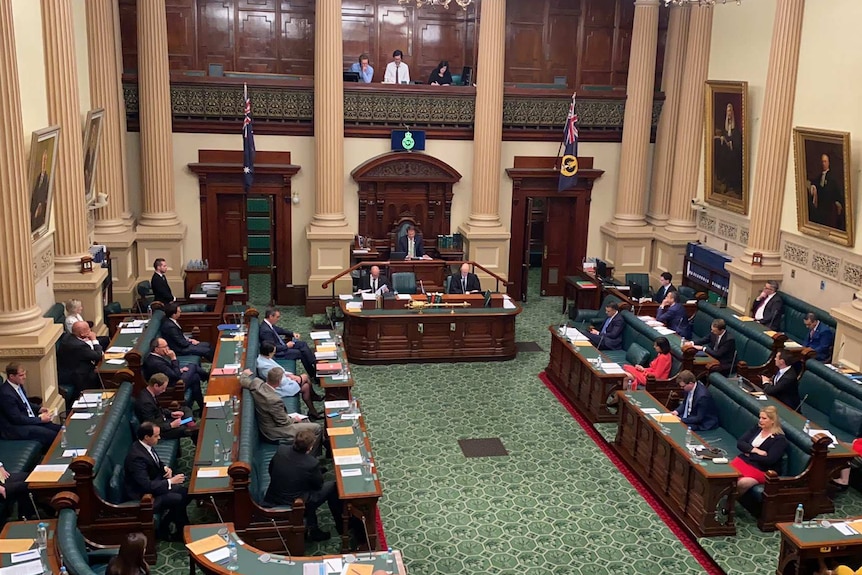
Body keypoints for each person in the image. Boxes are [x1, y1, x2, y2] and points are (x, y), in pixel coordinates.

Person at [264, 428, 341, 542]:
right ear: (310, 447)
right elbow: (318, 486)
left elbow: (271, 470)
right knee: (332, 486)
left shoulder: (281, 450)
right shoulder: (311, 463)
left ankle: (313, 526)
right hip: (296, 502)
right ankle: (340, 523)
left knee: (305, 490)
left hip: (274, 495)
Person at [123, 422, 189, 541]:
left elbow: (156, 461)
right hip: (143, 496)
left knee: (186, 493)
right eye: (156, 436)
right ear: (147, 437)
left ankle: (171, 525)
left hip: (155, 484)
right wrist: (170, 482)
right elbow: (146, 486)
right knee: (178, 499)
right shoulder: (136, 458)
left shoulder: (145, 446)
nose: (159, 438)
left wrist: (165, 468)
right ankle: (178, 532)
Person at [239, 369, 324, 451]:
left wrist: (245, 374)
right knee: (317, 428)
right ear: (279, 382)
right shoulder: (274, 400)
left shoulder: (257, 384)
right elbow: (283, 422)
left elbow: (243, 380)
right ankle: (311, 458)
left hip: (273, 421)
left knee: (305, 421)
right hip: (274, 432)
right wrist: (295, 419)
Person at [0, 363, 60, 449]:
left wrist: (39, 409)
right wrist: (40, 419)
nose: (24, 377)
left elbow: (25, 402)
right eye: (21, 375)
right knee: (52, 435)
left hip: (27, 420)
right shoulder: (6, 394)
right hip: (14, 428)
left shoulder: (18, 384)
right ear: (11, 376)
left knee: (60, 429)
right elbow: (17, 419)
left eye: (24, 374)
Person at [731, 406, 788, 497]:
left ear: (773, 421)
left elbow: (769, 460)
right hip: (743, 461)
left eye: (764, 418)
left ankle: (727, 505)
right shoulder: (757, 429)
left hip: (761, 470)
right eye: (760, 417)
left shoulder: (779, 439)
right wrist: (755, 450)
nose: (760, 420)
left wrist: (749, 454)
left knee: (742, 483)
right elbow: (740, 443)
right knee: (726, 477)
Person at [257, 342, 323, 419]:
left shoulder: (265, 358)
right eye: (273, 352)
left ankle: (312, 410)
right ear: (268, 353)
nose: (274, 354)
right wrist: (294, 378)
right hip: (279, 388)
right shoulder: (264, 367)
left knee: (306, 386)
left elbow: (280, 371)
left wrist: (291, 375)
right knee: (305, 378)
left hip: (284, 381)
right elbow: (278, 382)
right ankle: (313, 402)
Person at [142, 337, 206, 412]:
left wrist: (179, 370)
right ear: (156, 349)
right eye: (165, 347)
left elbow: (169, 371)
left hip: (172, 379)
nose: (168, 348)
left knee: (195, 377)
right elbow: (176, 376)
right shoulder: (157, 363)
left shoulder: (155, 357)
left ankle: (202, 408)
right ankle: (208, 378)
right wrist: (173, 358)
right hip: (171, 386)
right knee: (193, 367)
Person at [134, 374, 198, 443]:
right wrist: (171, 425)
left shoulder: (148, 393)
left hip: (163, 419)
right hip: (160, 431)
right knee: (188, 429)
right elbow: (151, 425)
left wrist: (171, 414)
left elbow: (158, 410)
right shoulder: (146, 403)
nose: (164, 390)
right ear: (156, 386)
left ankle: (190, 423)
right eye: (163, 388)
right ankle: (191, 425)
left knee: (185, 409)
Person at [258, 307, 317, 381]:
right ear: (271, 316)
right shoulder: (265, 331)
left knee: (303, 344)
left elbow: (279, 330)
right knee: (300, 353)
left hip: (281, 344)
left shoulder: (268, 324)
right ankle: (314, 374)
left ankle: (314, 362)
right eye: (277, 317)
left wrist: (292, 333)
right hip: (278, 353)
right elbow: (272, 348)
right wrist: (286, 346)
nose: (278, 319)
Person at [57, 321, 104, 402]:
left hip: (69, 368)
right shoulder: (79, 346)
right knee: (100, 375)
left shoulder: (68, 336)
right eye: (88, 329)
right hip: (74, 374)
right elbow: (98, 356)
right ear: (82, 334)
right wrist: (94, 339)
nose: (91, 331)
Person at [808, 153, 845, 230]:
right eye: (822, 162)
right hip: (820, 209)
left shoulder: (833, 178)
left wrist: (838, 202)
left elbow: (838, 193)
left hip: (829, 209)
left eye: (825, 161)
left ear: (828, 163)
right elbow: (814, 184)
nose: (823, 164)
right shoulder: (818, 177)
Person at [713, 102, 743, 197]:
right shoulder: (725, 127)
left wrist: (731, 144)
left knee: (731, 160)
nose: (729, 113)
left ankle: (732, 185)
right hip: (726, 152)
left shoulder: (736, 129)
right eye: (727, 111)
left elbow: (737, 142)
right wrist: (723, 139)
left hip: (734, 153)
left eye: (730, 111)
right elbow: (724, 136)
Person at [30, 149, 50, 233]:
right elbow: (34, 194)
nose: (44, 163)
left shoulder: (47, 180)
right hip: (33, 212)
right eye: (43, 160)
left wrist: (40, 206)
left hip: (40, 214)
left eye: (45, 160)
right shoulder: (38, 178)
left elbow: (46, 198)